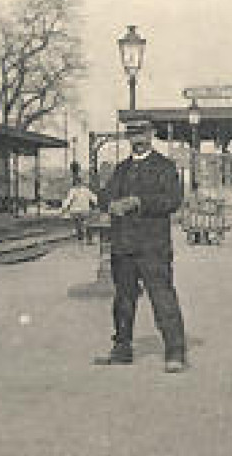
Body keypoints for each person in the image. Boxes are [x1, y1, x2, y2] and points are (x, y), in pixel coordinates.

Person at [97, 118, 188, 373]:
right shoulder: (121, 169)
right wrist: (108, 202)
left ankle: (175, 351)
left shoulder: (165, 167)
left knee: (162, 297)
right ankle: (122, 347)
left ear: (151, 135)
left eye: (142, 134)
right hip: (123, 246)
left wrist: (139, 201)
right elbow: (105, 196)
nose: (137, 139)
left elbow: (173, 201)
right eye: (132, 134)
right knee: (123, 300)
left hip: (153, 247)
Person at [59, 171, 98, 245]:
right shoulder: (86, 190)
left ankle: (81, 239)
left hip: (76, 211)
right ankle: (88, 239)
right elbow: (93, 198)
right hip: (85, 210)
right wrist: (98, 204)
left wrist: (64, 208)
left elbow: (68, 200)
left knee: (78, 225)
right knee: (88, 224)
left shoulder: (73, 191)